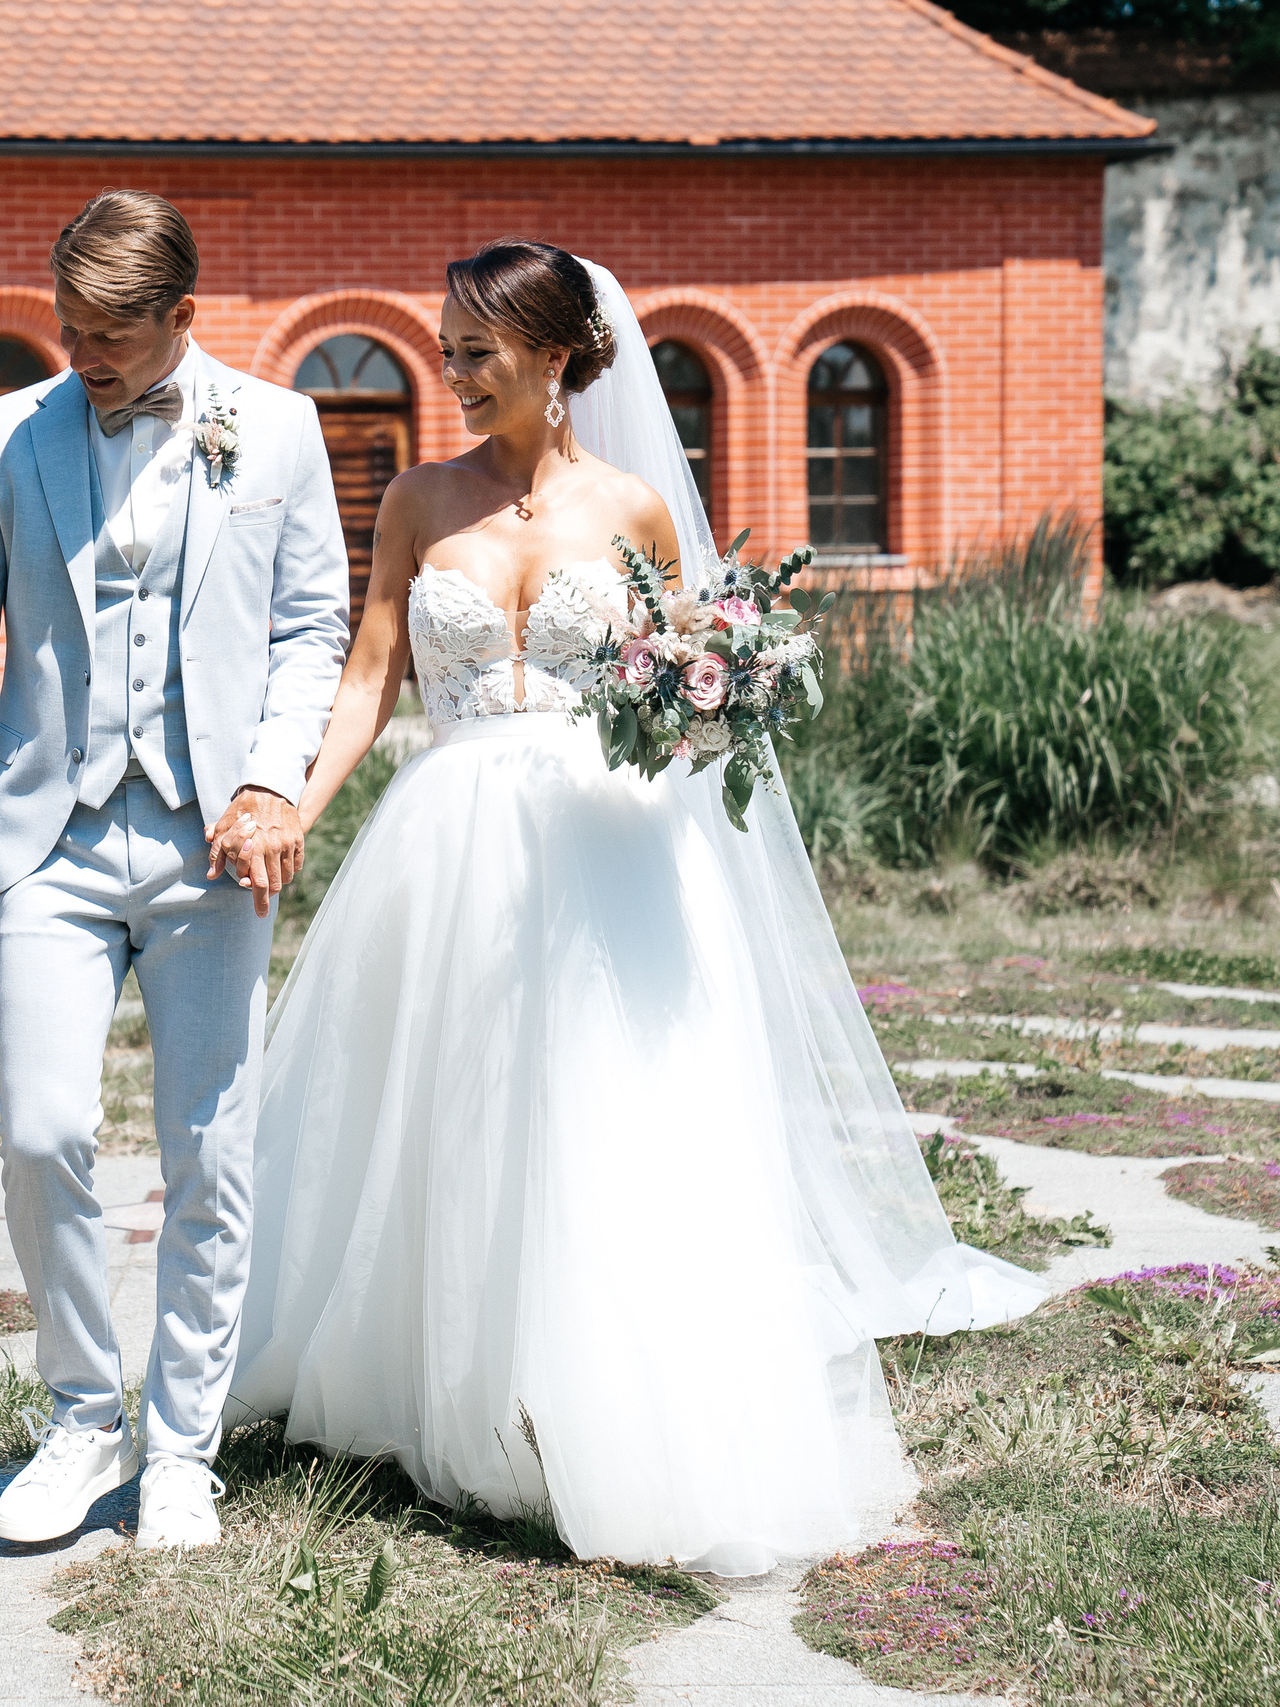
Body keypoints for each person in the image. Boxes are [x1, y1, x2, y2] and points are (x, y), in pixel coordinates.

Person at [227, 243, 1048, 1577]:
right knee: (451, 1111)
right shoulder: (416, 501)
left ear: (558, 359)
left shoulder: (640, 511)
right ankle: (451, 1381)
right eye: (448, 346)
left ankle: (604, 1400)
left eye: (479, 350)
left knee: (604, 1117)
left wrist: (714, 705)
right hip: (447, 837)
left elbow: (690, 680)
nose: (456, 369)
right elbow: (370, 673)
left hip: (606, 843)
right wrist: (293, 809)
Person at [0, 191, 350, 1549]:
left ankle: (183, 1445)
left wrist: (271, 777)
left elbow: (313, 627)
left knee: (210, 1156)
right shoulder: (2, 435)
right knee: (41, 1133)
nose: (85, 356)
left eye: (114, 336)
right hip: (53, 841)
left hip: (211, 843)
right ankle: (82, 1413)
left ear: (185, 313)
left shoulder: (281, 429)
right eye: (68, 328)